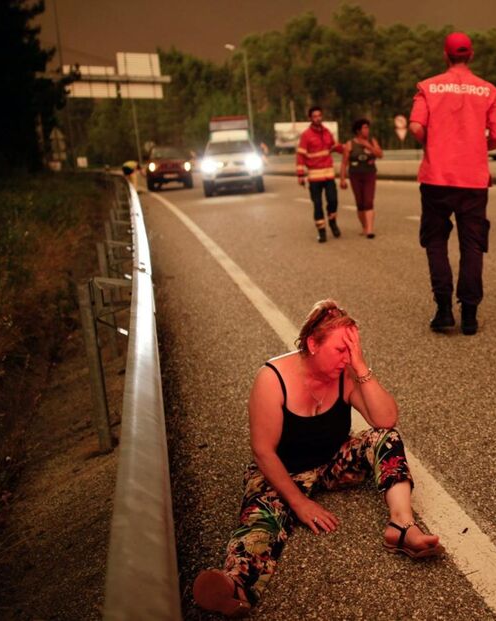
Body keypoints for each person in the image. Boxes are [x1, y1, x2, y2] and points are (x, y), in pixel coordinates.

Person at [192, 299, 443, 618]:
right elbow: (263, 451)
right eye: (341, 349)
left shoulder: (346, 373)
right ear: (312, 344)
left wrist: (361, 367)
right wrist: (299, 503)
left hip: (330, 463)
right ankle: (234, 584)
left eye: (352, 350)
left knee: (386, 439)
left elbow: (385, 420)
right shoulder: (272, 379)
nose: (346, 358)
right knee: (263, 521)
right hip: (283, 471)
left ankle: (402, 526)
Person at [408, 31, 496, 336]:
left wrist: (434, 144)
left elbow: (416, 126)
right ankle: (470, 316)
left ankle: (443, 311)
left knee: (436, 241)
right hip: (473, 180)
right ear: (471, 55)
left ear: (445, 55)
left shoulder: (428, 87)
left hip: (436, 178)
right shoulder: (489, 91)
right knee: (472, 244)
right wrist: (477, 148)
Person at [297, 107, 345, 243]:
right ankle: (322, 232)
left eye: (319, 115)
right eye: (315, 116)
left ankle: (333, 222)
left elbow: (335, 146)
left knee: (333, 201)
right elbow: (300, 155)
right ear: (310, 118)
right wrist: (300, 175)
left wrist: (345, 148)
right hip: (314, 177)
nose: (318, 118)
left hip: (329, 175)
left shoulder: (327, 132)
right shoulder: (306, 135)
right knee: (317, 204)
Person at [339, 118, 383, 239]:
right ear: (358, 130)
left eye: (368, 127)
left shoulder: (372, 141)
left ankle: (370, 230)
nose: (367, 130)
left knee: (368, 201)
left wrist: (369, 146)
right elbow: (344, 163)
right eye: (365, 128)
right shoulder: (350, 144)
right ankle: (365, 226)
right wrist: (342, 179)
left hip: (369, 174)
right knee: (360, 203)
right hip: (355, 175)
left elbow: (380, 154)